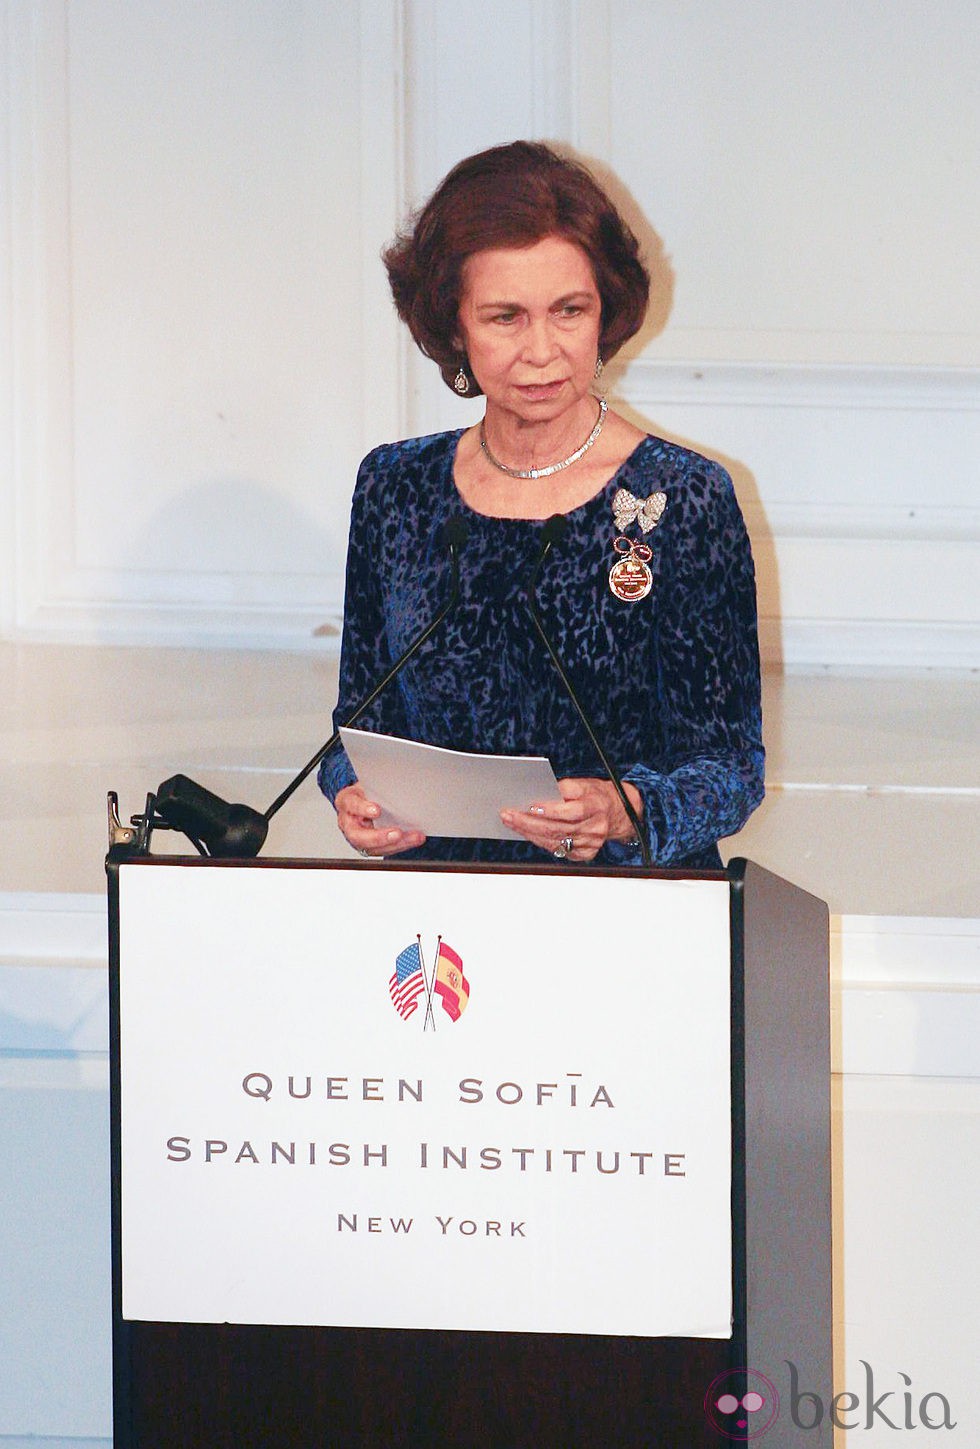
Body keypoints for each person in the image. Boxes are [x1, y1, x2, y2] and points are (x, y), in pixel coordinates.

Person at [318, 141, 764, 868]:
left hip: (621, 909)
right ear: (453, 323)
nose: (542, 350)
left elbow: (731, 768)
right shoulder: (396, 487)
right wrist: (352, 792)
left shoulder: (682, 497)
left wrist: (627, 810)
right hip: (441, 921)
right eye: (504, 317)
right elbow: (358, 726)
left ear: (605, 313)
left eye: (569, 310)